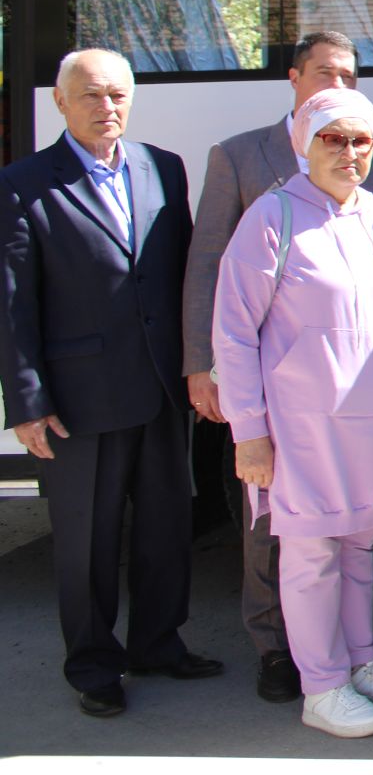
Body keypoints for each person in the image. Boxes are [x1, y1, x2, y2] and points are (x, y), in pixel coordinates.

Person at [179, 28, 373, 704]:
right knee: (309, 559)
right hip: (298, 430)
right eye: (332, 139)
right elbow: (233, 329)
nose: (348, 151)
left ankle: (363, 664)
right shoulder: (271, 216)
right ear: (305, 142)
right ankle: (322, 685)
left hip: (369, 426)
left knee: (359, 551)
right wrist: (249, 430)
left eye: (358, 139)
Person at [0, 49, 221, 719]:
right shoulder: (23, 183)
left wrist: (196, 363)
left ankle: (158, 641)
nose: (107, 108)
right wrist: (27, 401)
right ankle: (94, 663)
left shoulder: (163, 168)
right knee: (88, 537)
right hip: (80, 396)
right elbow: (13, 304)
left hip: (158, 383)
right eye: (92, 95)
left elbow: (181, 275)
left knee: (165, 522)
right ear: (61, 103)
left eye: (119, 95)